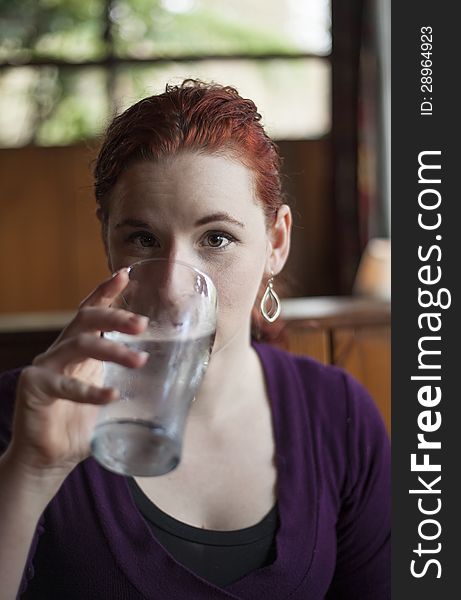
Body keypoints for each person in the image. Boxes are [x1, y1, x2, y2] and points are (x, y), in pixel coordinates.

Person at [0, 80, 390, 599]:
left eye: (216, 239)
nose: (172, 287)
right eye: (143, 240)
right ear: (106, 237)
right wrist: (31, 470)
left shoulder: (337, 415)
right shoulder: (23, 416)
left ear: (276, 242)